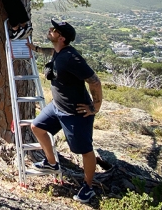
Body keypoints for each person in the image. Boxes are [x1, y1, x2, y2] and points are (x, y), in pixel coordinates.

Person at [27, 19, 103, 204]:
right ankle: (51, 163)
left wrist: (95, 106)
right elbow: (50, 51)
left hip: (75, 112)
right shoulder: (60, 51)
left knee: (84, 150)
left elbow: (94, 81)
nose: (50, 30)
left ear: (61, 37)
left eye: (54, 30)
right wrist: (35, 48)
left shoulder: (72, 58)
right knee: (36, 127)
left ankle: (88, 186)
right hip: (57, 106)